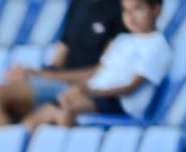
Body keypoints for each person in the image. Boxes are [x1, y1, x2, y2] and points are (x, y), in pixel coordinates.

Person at [0, 0, 125, 130]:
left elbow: (104, 72)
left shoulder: (121, 11)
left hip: (80, 88)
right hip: (54, 81)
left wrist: (41, 75)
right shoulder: (78, 4)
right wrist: (29, 74)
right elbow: (59, 56)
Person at [31, 0, 168, 128]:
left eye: (137, 9)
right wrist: (81, 87)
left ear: (156, 9)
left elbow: (131, 87)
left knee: (67, 111)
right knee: (38, 116)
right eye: (126, 11)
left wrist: (93, 92)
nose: (130, 17)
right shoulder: (122, 39)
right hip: (99, 95)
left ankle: (64, 149)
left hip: (119, 103)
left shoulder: (157, 46)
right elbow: (101, 71)